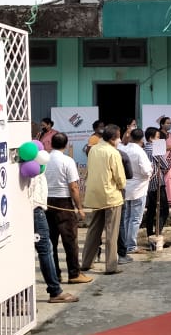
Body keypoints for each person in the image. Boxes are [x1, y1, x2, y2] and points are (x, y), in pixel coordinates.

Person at [44, 132, 92, 286]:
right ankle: (74, 273)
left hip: (46, 202)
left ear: (50, 143)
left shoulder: (43, 160)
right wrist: (79, 207)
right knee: (70, 240)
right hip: (63, 203)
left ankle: (55, 275)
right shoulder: (67, 161)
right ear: (66, 145)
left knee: (51, 242)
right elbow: (74, 187)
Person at [27, 159, 78, 304]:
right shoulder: (31, 159)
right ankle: (55, 290)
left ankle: (54, 286)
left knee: (46, 247)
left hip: (39, 206)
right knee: (45, 248)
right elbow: (73, 186)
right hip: (35, 208)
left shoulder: (36, 159)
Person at [79, 124, 127, 275]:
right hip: (111, 195)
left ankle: (86, 262)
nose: (119, 140)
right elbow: (119, 177)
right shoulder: (113, 152)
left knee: (94, 230)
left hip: (94, 194)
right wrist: (122, 186)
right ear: (113, 138)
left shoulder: (93, 149)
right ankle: (111, 266)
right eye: (118, 137)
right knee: (111, 232)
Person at [117, 127, 153, 261]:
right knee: (135, 219)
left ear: (130, 137)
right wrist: (151, 172)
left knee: (126, 217)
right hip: (139, 188)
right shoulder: (140, 152)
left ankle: (126, 243)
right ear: (142, 139)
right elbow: (146, 171)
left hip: (126, 186)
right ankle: (131, 245)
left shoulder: (123, 149)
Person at [142, 127, 170, 246]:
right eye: (158, 137)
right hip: (157, 183)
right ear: (150, 138)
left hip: (148, 184)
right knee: (164, 210)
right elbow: (165, 164)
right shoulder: (154, 149)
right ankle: (157, 235)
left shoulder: (143, 149)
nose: (159, 140)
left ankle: (150, 236)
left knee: (151, 211)